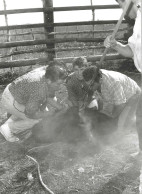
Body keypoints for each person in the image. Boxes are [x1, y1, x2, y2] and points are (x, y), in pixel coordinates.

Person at [104, 0, 142, 153]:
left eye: (121, 4)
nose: (122, 10)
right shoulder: (138, 21)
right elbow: (131, 50)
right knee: (140, 117)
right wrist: (115, 45)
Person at [0, 64, 67, 142]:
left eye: (62, 83)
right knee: (37, 120)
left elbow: (49, 96)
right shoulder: (39, 90)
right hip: (11, 100)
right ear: (49, 81)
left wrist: (61, 107)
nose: (61, 86)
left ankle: (11, 120)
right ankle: (8, 128)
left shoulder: (48, 73)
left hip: (17, 92)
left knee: (38, 110)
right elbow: (31, 113)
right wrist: (48, 114)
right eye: (58, 84)